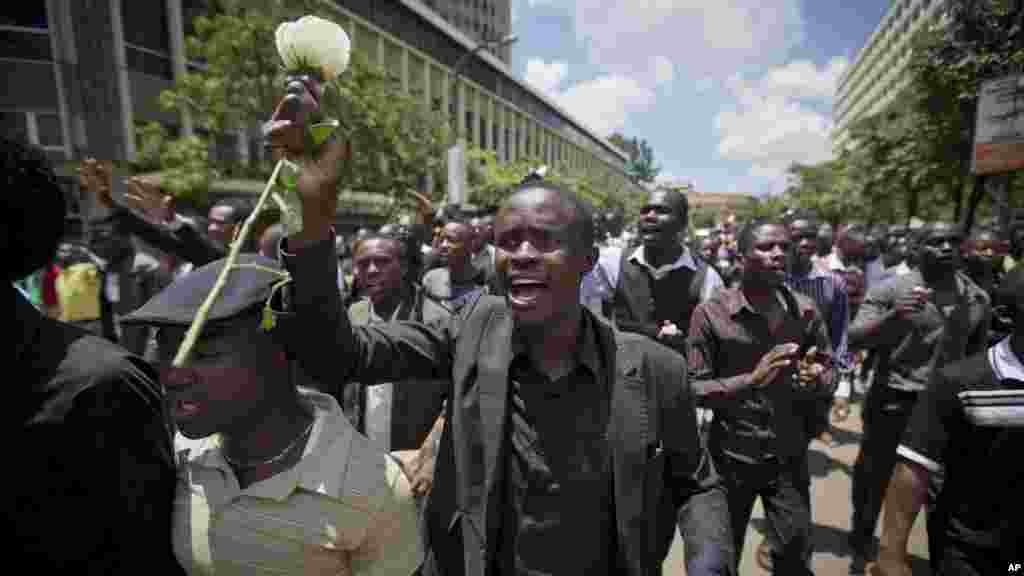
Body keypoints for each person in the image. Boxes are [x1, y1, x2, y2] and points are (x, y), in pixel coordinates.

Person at [272, 129, 735, 575]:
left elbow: (697, 483)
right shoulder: (470, 330)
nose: (523, 254)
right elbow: (338, 354)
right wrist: (311, 217)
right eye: (509, 241)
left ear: (589, 261)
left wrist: (709, 562)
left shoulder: (656, 371)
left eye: (544, 240)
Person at [120, 253, 422, 576]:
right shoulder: (180, 457)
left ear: (279, 352)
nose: (173, 375)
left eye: (204, 353)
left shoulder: (374, 488)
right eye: (167, 351)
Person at [9, 136, 183, 574]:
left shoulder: (143, 273)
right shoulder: (86, 272)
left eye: (105, 231)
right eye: (93, 232)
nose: (97, 239)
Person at [688, 217, 836, 575]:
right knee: (718, 563)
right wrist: (751, 380)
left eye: (783, 248)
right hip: (728, 458)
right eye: (766, 247)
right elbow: (693, 387)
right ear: (740, 257)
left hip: (787, 458)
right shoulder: (711, 313)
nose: (778, 255)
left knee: (794, 558)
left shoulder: (806, 312)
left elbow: (829, 369)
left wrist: (817, 379)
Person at [847, 222, 992, 574]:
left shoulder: (977, 299)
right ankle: (862, 541)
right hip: (894, 400)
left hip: (946, 410)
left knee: (943, 490)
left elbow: (978, 359)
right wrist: (896, 316)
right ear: (917, 247)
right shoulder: (892, 289)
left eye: (952, 242)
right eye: (936, 242)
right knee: (874, 478)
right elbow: (855, 337)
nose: (945, 248)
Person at [868, 265, 1024, 576]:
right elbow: (913, 468)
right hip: (971, 551)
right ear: (1007, 317)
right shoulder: (961, 382)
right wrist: (891, 555)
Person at [581, 186, 724, 356]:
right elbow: (584, 312)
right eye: (645, 211)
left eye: (661, 211)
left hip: (678, 376)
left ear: (683, 222)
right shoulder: (611, 263)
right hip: (621, 373)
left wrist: (685, 343)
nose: (649, 216)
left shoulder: (707, 278)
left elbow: (715, 343)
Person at [421, 215, 489, 313]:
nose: (443, 245)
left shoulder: (485, 285)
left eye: (451, 240)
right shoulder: (430, 279)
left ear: (469, 244)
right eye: (441, 240)